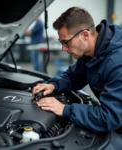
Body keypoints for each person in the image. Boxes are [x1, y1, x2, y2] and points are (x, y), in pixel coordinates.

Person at [32, 6, 122, 150]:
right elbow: (75, 75)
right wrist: (53, 85)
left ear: (85, 35)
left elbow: (109, 117)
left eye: (66, 42)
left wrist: (65, 109)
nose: (64, 48)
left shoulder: (117, 63)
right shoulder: (92, 50)